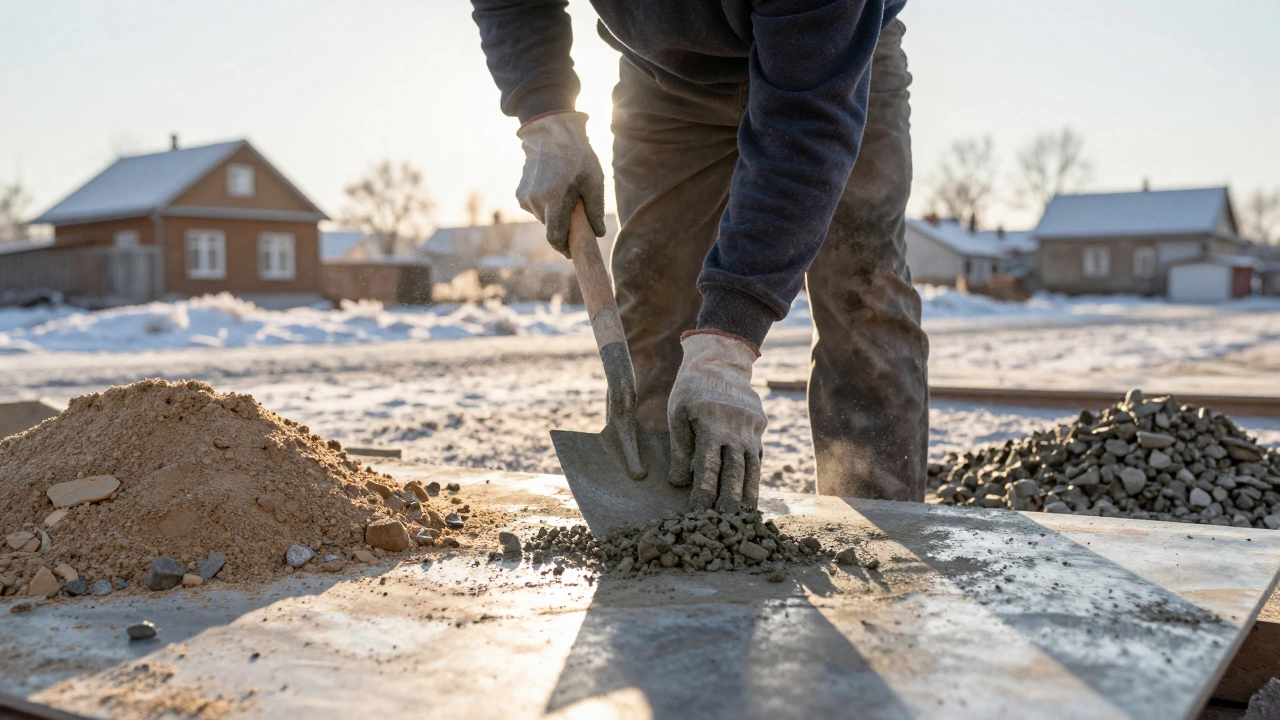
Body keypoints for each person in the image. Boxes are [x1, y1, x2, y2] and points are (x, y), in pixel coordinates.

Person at [471, 0, 927, 513]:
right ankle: (662, 528)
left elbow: (806, 130)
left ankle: (882, 540)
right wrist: (544, 113)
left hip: (832, 65)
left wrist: (728, 342)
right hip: (661, 81)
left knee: (863, 299)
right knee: (655, 296)